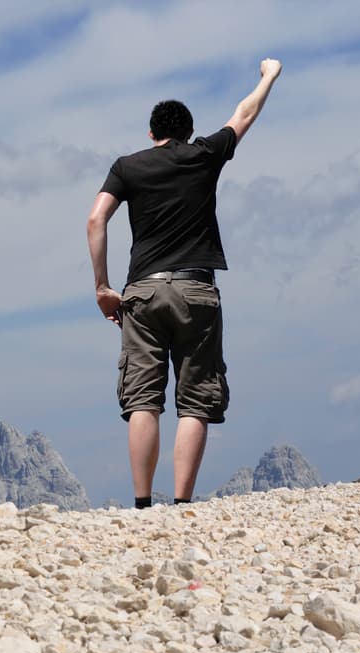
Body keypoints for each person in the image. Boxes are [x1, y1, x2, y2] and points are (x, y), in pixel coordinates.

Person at [87, 59, 282, 509]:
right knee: (195, 399)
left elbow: (96, 219)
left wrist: (103, 286)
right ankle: (181, 503)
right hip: (196, 289)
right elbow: (244, 115)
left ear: (152, 133)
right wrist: (268, 76)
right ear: (188, 133)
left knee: (142, 399)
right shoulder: (203, 155)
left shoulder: (127, 167)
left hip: (143, 290)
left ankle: (141, 505)